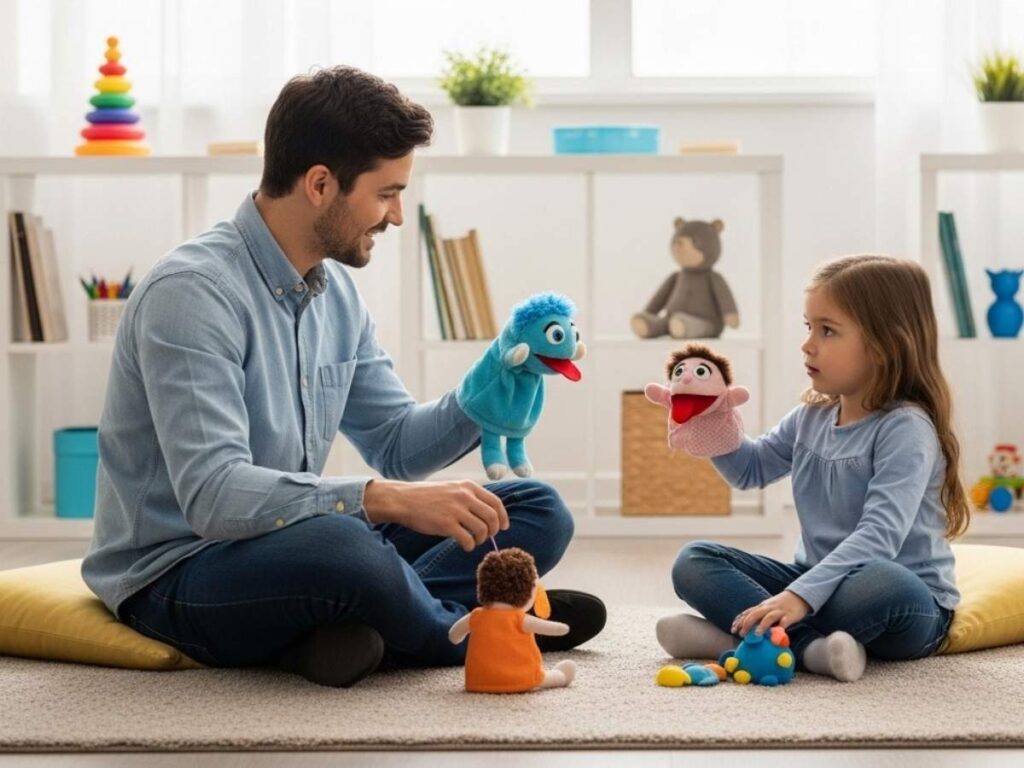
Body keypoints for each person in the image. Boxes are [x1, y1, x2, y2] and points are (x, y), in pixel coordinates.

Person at [82, 65, 605, 688]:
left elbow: (398, 445)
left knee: (531, 508)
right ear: (321, 184)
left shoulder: (337, 297)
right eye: (386, 193)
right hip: (178, 570)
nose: (398, 215)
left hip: (291, 543)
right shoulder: (192, 294)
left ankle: (360, 634)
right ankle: (468, 630)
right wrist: (378, 500)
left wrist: (496, 376)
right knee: (343, 547)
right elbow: (214, 496)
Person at [657, 255, 966, 682]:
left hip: (906, 602)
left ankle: (733, 639)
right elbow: (751, 469)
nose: (807, 344)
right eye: (809, 327)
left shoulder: (905, 428)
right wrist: (712, 424)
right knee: (693, 560)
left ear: (884, 345)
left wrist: (800, 596)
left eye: (828, 330)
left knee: (884, 583)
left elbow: (881, 535)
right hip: (816, 581)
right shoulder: (813, 415)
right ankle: (805, 649)